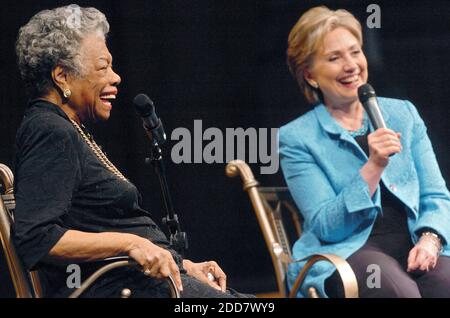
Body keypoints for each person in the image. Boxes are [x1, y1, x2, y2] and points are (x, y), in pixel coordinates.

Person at [13, 4, 252, 298]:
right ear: (62, 75)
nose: (116, 77)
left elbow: (96, 225)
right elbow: (37, 237)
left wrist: (182, 265)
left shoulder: (68, 128)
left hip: (139, 284)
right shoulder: (49, 130)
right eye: (103, 67)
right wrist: (130, 243)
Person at [279, 6, 450, 298]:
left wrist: (430, 239)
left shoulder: (402, 113)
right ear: (310, 75)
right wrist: (373, 166)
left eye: (355, 52)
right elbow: (326, 226)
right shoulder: (297, 138)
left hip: (414, 240)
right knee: (398, 291)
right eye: (334, 58)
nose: (351, 65)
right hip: (348, 251)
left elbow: (435, 196)